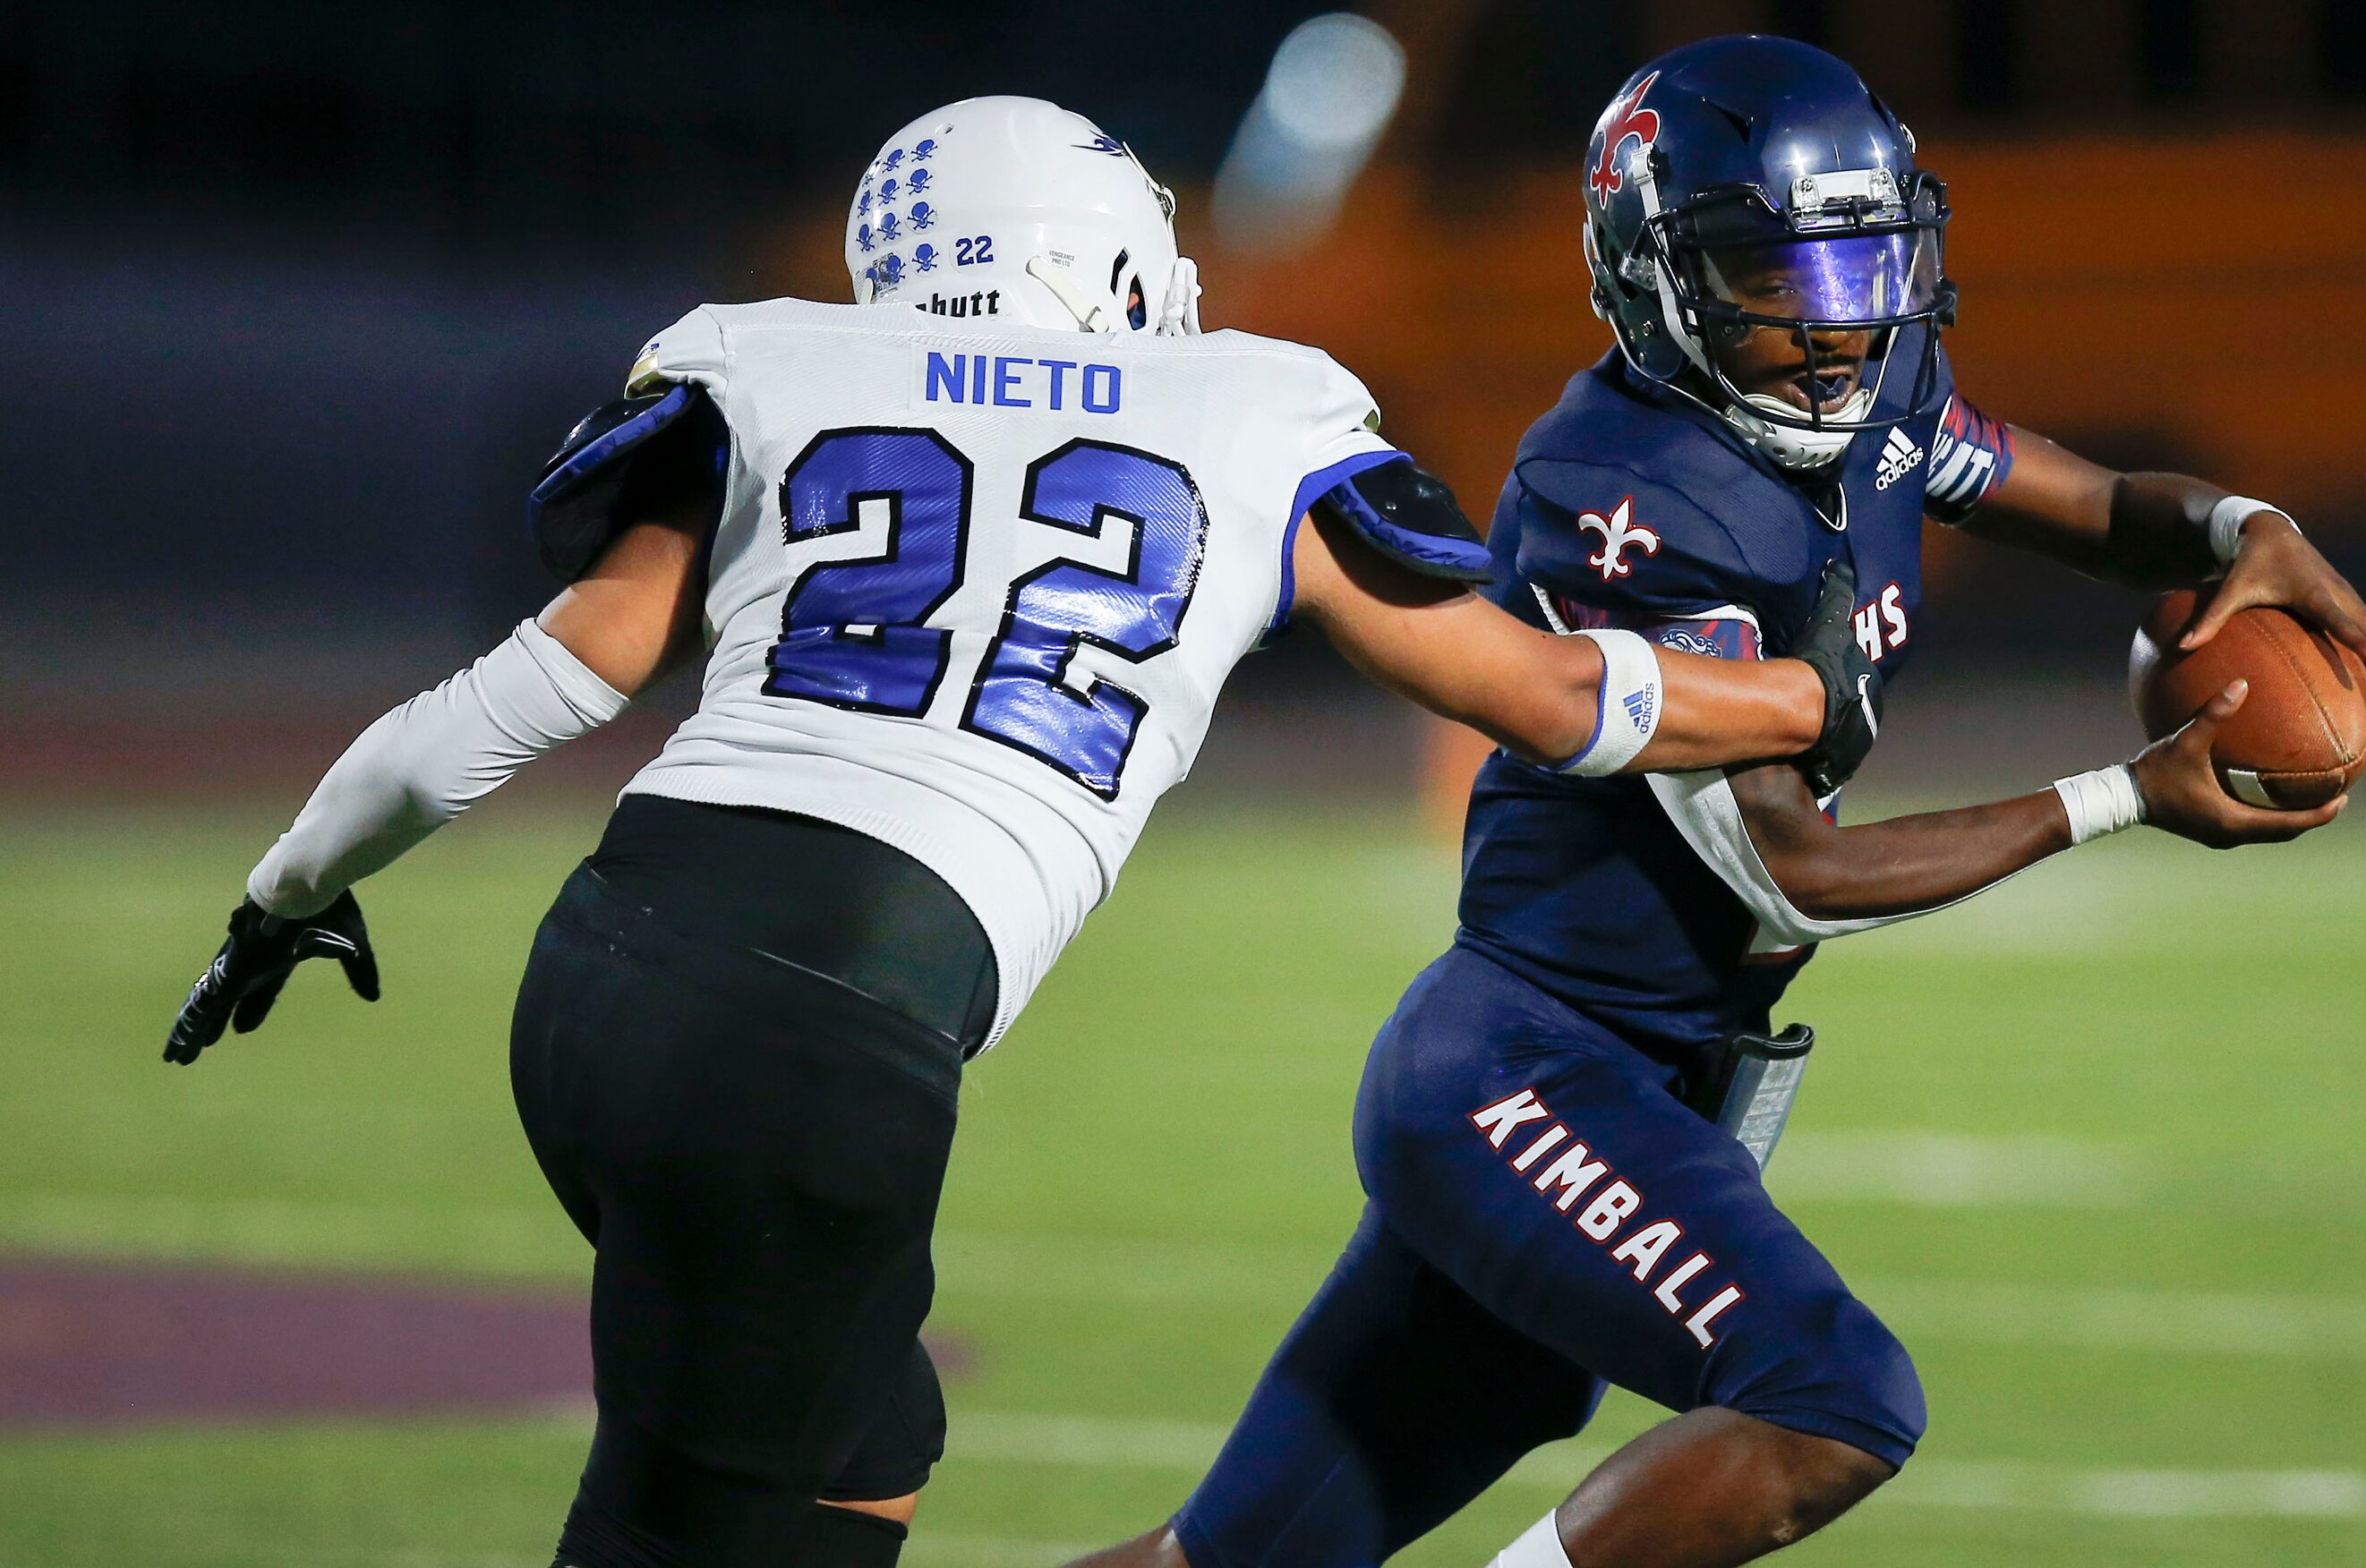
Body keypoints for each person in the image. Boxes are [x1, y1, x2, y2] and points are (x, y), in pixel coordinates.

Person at [158, 94, 1883, 1568]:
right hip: (822, 1052)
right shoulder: (1252, 410)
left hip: (599, 974)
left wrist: (285, 889)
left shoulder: (767, 359)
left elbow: (531, 690)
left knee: (855, 1447)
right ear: (1096, 249)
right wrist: (1808, 700)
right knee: (698, 1518)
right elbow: (1548, 696)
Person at [1072, 37, 2366, 1568]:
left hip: (1636, 1080)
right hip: (1524, 1074)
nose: (1837, 324)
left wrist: (2252, 524)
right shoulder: (1633, 487)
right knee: (1832, 1398)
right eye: (1774, 275)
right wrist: (2123, 795)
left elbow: (2098, 509)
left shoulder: (1872, 394)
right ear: (1659, 276)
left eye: (1864, 266)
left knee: (1225, 1564)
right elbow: (1794, 867)